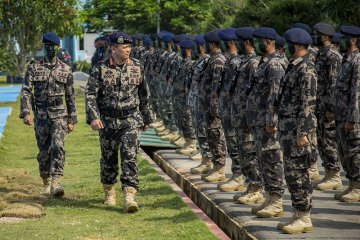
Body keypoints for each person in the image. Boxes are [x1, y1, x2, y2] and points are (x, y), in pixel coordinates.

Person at [85, 32, 155, 213]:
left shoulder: (137, 66)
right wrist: (94, 117)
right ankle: (109, 191)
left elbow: (144, 94)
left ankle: (129, 195)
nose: (128, 50)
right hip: (107, 121)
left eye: (129, 47)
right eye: (125, 48)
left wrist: (146, 118)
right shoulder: (100, 68)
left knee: (129, 156)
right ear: (113, 48)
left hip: (130, 119)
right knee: (108, 159)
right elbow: (91, 94)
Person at [20, 32, 77, 197]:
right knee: (43, 151)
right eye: (47, 46)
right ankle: (45, 180)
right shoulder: (34, 68)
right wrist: (26, 112)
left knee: (58, 146)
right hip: (41, 116)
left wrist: (72, 119)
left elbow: (70, 96)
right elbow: (25, 91)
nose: (50, 49)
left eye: (53, 46)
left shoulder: (66, 70)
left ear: (58, 47)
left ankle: (56, 182)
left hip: (60, 114)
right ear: (44, 47)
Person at [277, 28, 317, 234]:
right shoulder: (293, 67)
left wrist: (302, 132)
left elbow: (307, 104)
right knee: (292, 174)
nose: (285, 47)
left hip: (298, 132)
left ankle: (305, 217)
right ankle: (297, 213)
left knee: (300, 174)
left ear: (299, 45)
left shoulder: (306, 69)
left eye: (289, 43)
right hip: (288, 130)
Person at [246, 27, 287, 218]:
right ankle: (270, 196)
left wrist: (272, 120)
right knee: (263, 159)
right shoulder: (265, 62)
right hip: (259, 120)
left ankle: (277, 201)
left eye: (258, 40)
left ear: (268, 41)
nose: (255, 44)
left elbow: (275, 95)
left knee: (272, 159)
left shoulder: (276, 64)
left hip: (268, 121)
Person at [232, 27, 264, 204]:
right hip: (241, 116)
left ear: (246, 42)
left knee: (250, 152)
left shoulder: (253, 63)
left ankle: (257, 188)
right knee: (244, 152)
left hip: (249, 118)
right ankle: (251, 185)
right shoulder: (245, 62)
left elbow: (255, 93)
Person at [312, 22, 343, 191]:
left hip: (327, 107)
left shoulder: (332, 56)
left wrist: (331, 108)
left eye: (316, 34)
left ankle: (335, 176)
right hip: (320, 105)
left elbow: (333, 84)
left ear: (324, 37)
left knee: (329, 140)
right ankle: (328, 173)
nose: (313, 37)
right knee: (322, 140)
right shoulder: (321, 54)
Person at [333, 25, 360, 202]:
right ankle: (352, 184)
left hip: (351, 119)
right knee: (345, 153)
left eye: (344, 37)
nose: (340, 40)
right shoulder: (346, 59)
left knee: (354, 152)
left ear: (353, 40)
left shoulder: (357, 60)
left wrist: (353, 119)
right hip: (341, 115)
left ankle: (358, 187)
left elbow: (357, 91)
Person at [196, 31, 227, 182]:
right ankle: (215, 166)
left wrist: (215, 108)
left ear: (212, 44)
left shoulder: (218, 61)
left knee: (216, 136)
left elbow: (216, 87)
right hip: (207, 106)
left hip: (213, 107)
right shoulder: (212, 59)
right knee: (211, 136)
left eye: (206, 44)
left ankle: (220, 168)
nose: (204, 47)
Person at [217, 28, 245, 192]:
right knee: (232, 143)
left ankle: (239, 176)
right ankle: (237, 175)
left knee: (237, 144)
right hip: (229, 109)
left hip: (236, 110)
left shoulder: (236, 62)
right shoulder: (230, 61)